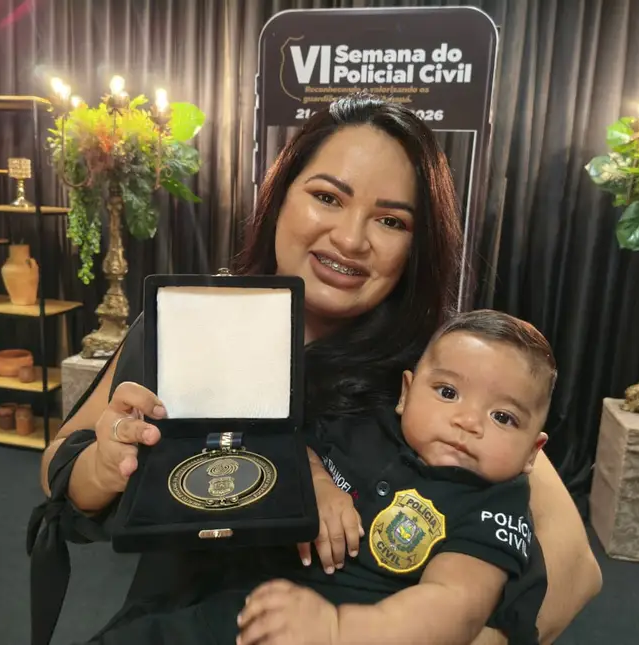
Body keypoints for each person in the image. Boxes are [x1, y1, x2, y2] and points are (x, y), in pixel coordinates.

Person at [29, 94, 601, 645]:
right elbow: (60, 466)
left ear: (417, 245)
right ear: (279, 195)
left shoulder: (440, 376)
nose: (350, 239)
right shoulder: (195, 317)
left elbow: (575, 572)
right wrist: (105, 465)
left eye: (391, 221)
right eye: (328, 197)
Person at [238, 309, 556, 645]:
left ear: (532, 452)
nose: (468, 421)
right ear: (406, 393)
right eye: (448, 392)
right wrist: (316, 483)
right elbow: (293, 447)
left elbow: (453, 604)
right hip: (263, 596)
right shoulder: (366, 423)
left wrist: (337, 630)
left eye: (502, 417)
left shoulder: (497, 506)